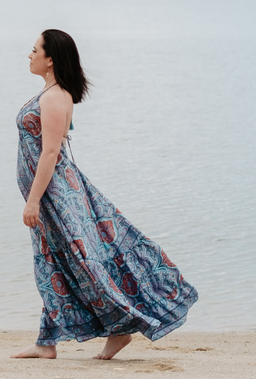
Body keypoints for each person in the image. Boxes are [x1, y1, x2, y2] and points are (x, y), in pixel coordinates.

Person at [11, 29, 198, 361]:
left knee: (81, 264)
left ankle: (123, 327)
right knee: (54, 263)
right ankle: (47, 341)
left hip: (56, 195)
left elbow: (51, 153)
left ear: (50, 58)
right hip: (56, 193)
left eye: (34, 49)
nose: (29, 54)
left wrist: (34, 200)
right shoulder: (52, 93)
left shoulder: (55, 97)